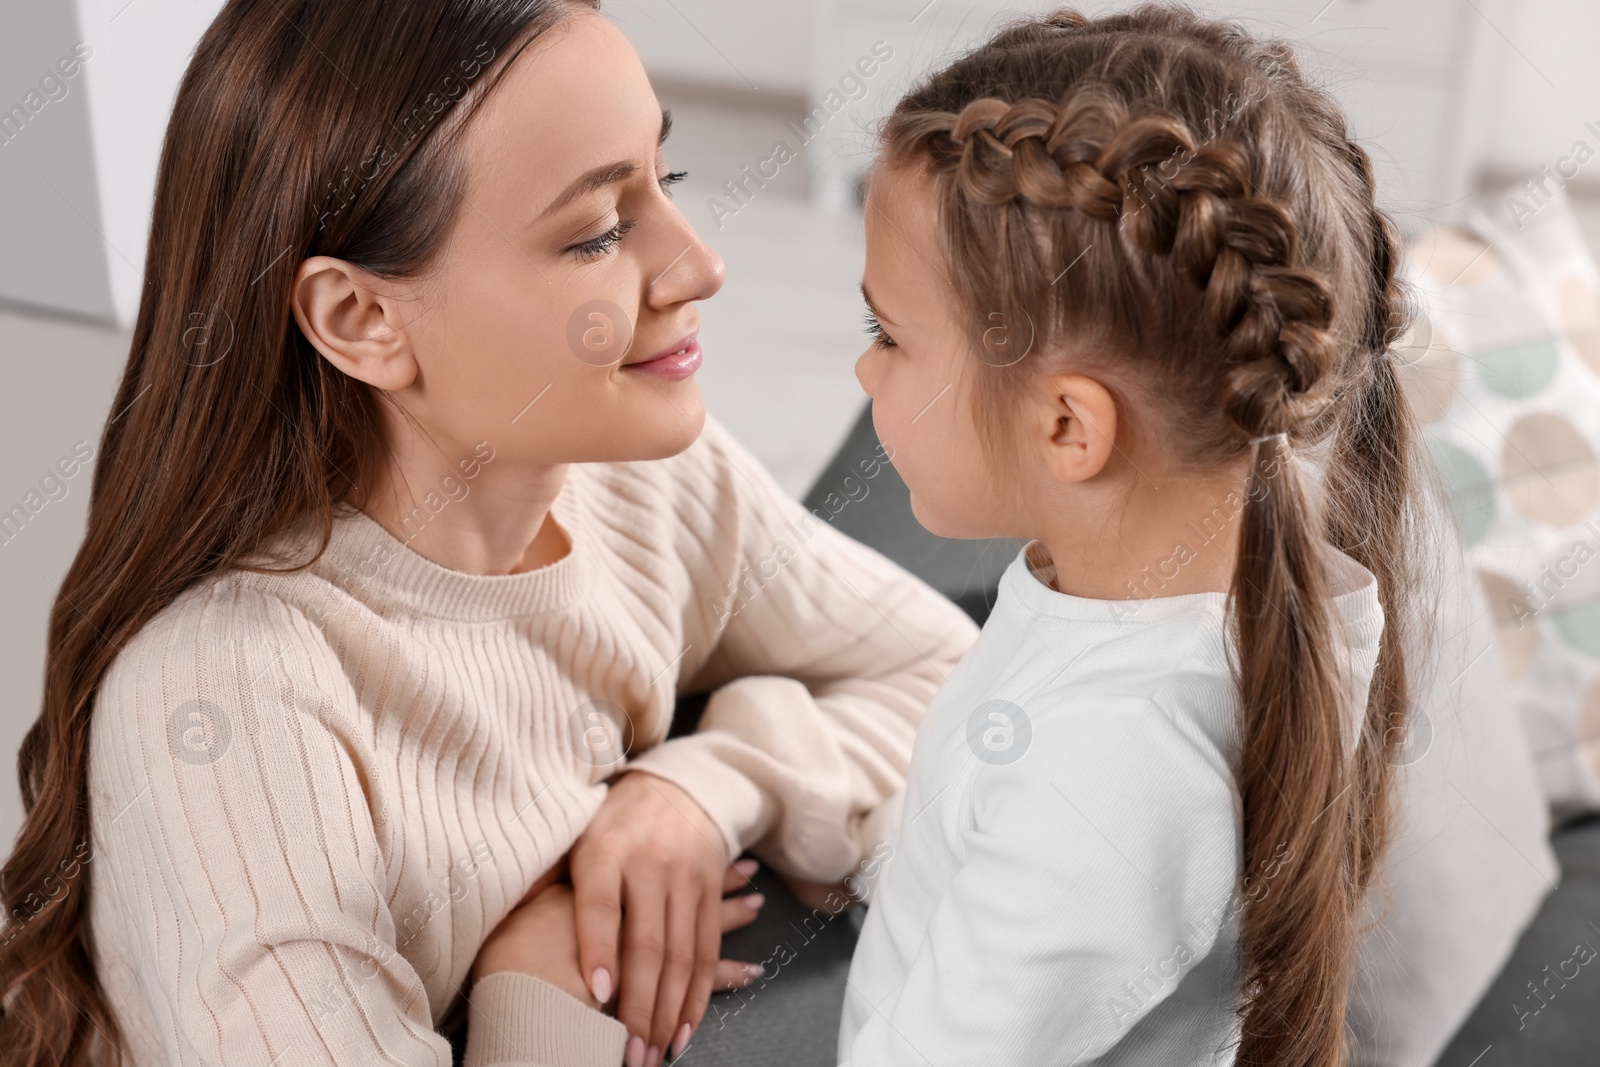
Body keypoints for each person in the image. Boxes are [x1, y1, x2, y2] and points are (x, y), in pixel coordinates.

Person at [0, 2, 979, 1066]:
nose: (699, 266)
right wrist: (533, 986)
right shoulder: (232, 705)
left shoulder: (635, 484)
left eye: (667, 181)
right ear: (362, 319)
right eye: (599, 231)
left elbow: (958, 681)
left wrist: (699, 789)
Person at [834, 6, 1427, 1065]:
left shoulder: (1106, 779)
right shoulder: (1145, 609)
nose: (863, 372)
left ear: (1067, 424)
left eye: (888, 335)